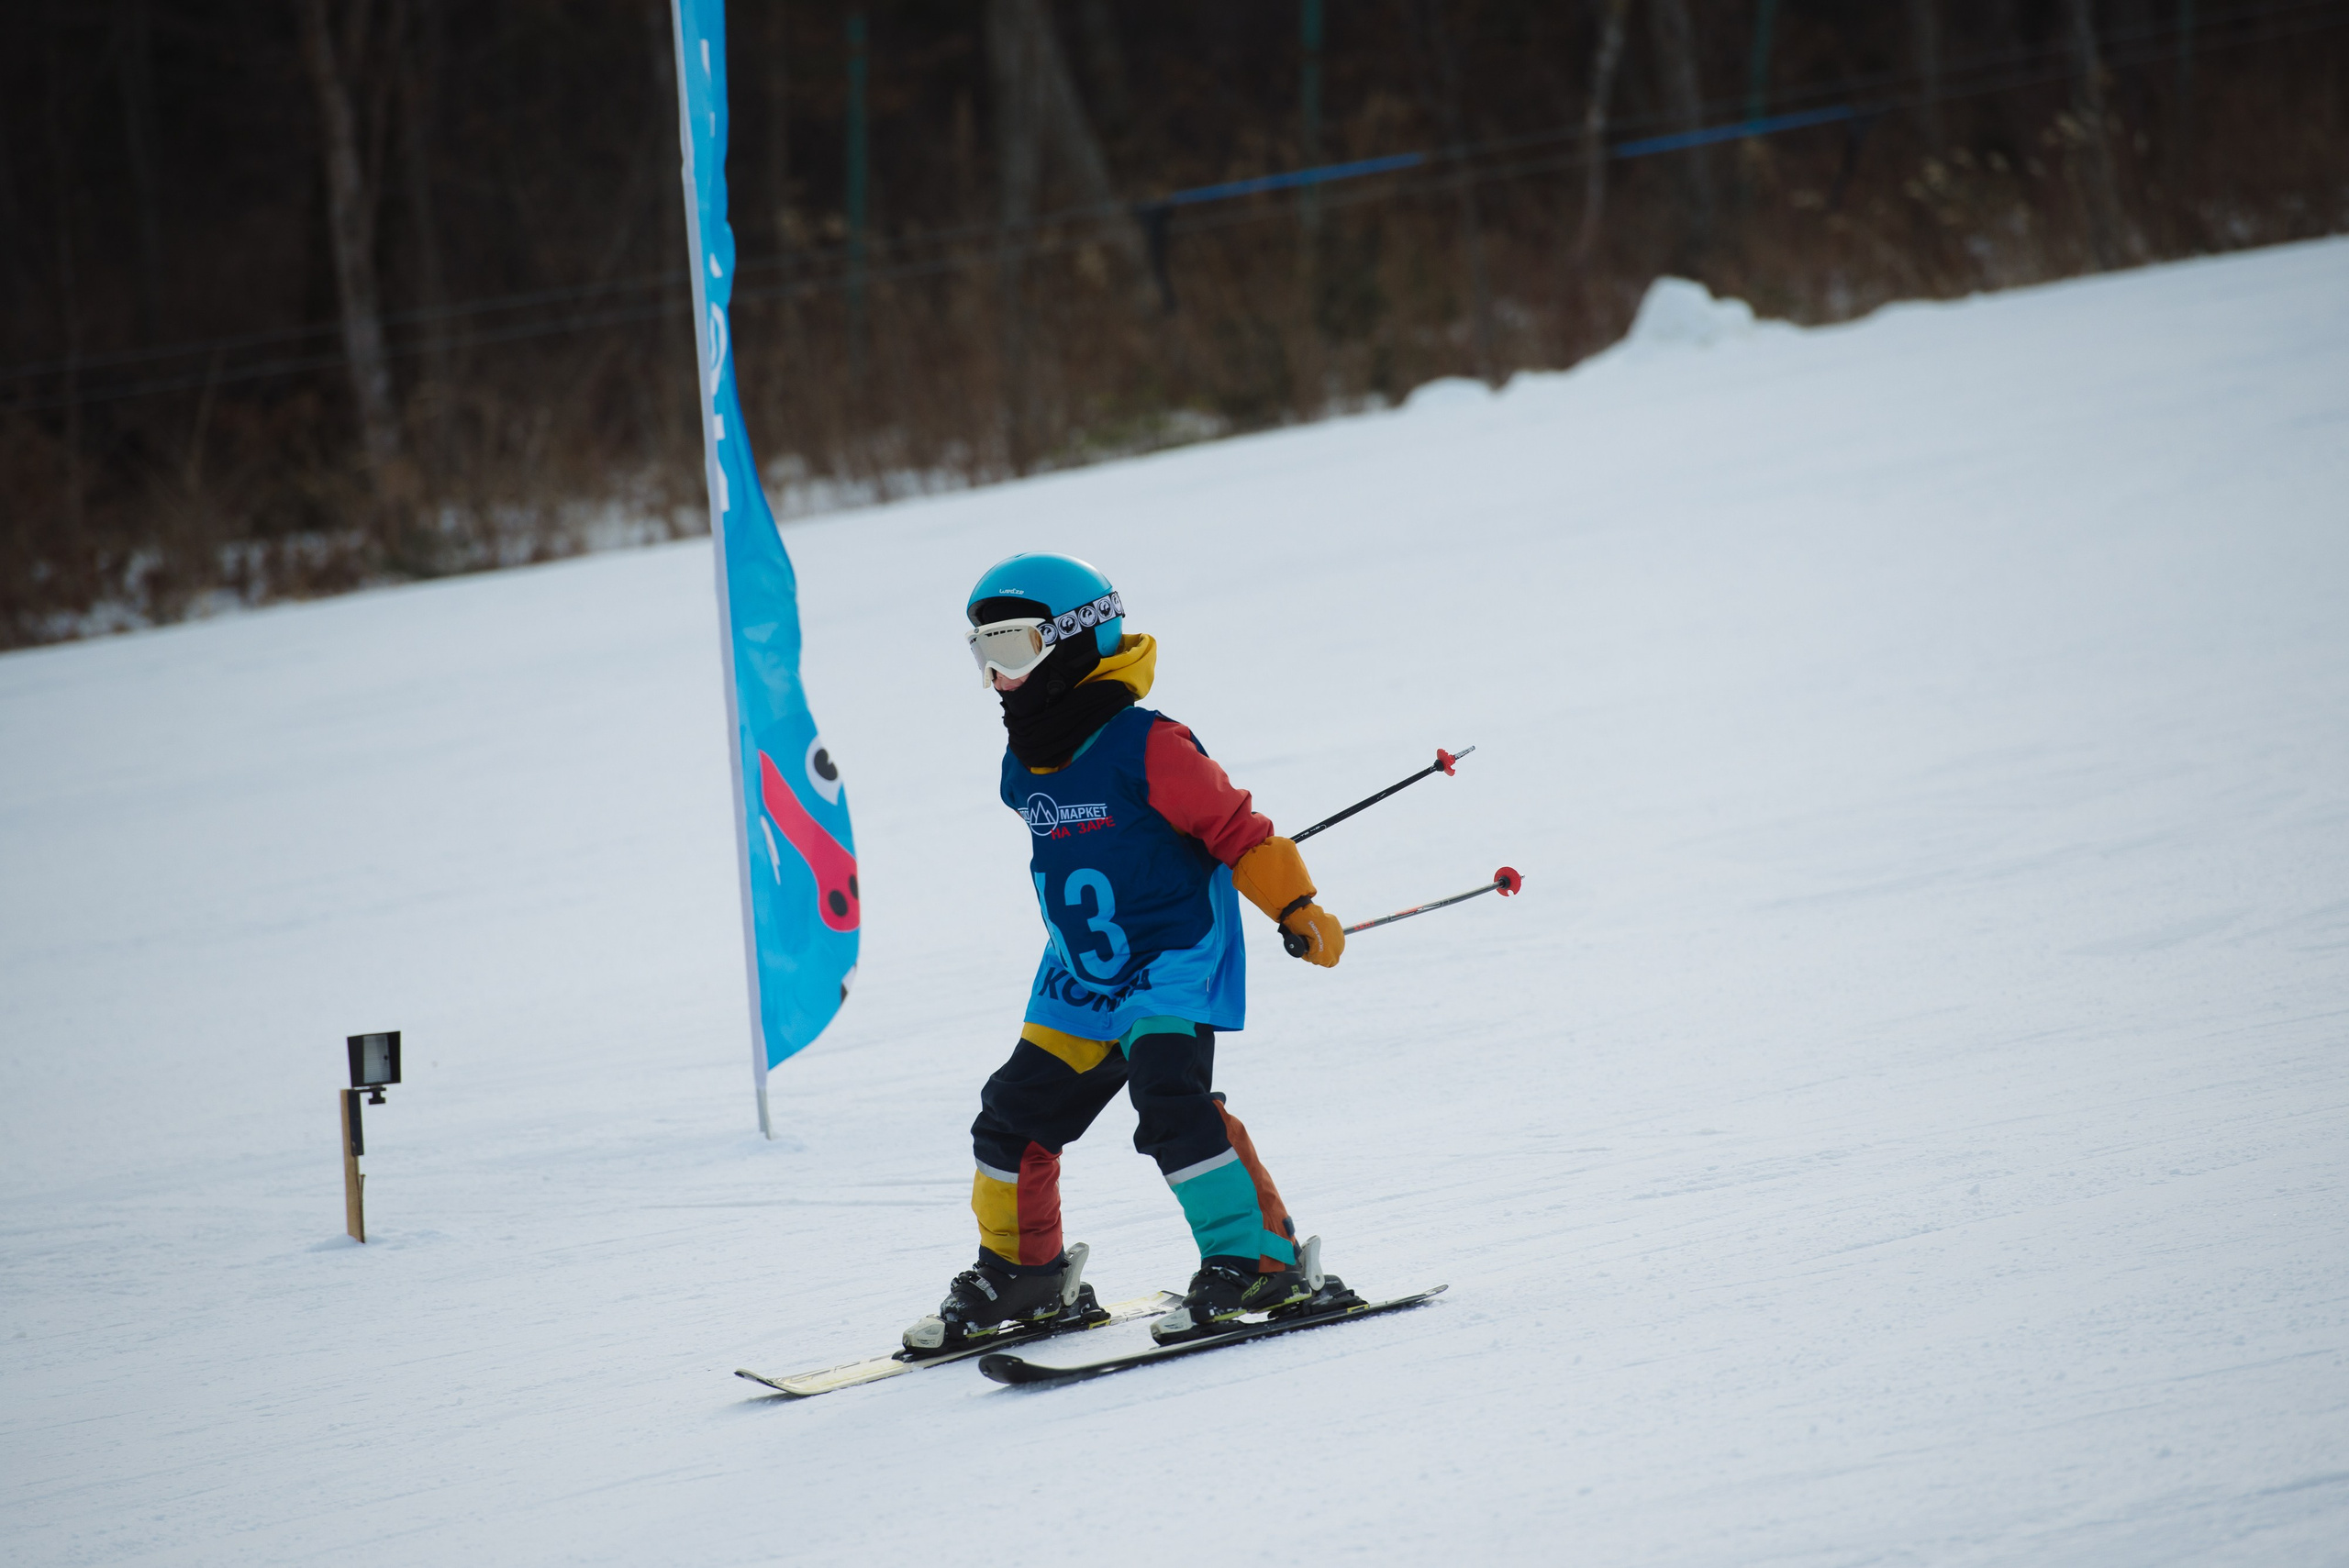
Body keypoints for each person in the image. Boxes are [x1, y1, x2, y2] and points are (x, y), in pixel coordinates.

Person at [904, 552, 1355, 1352]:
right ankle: (1025, 1273)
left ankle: (1260, 1261)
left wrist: (1296, 904)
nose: (997, 679)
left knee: (1172, 1102)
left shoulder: (1152, 745)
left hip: (1171, 962)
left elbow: (1237, 832)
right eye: (983, 655)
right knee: (1010, 1120)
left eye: (1011, 649)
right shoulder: (1026, 760)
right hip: (1078, 975)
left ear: (1075, 641)